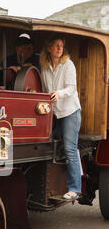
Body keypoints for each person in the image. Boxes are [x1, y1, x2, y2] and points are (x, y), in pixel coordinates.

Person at [40, 35, 82, 200]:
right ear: (49, 48)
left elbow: (71, 89)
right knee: (45, 142)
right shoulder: (44, 67)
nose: (59, 49)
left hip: (70, 111)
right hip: (54, 113)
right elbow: (45, 90)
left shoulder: (68, 64)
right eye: (56, 46)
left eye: (61, 46)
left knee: (70, 149)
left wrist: (59, 93)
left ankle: (74, 189)